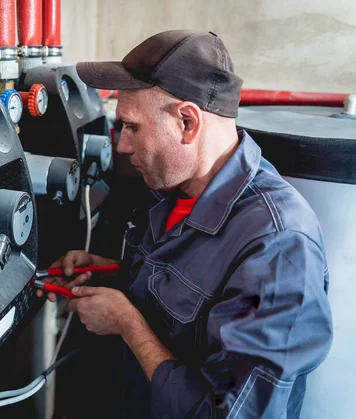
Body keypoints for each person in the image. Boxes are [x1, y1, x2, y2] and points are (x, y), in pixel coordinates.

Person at [37, 30, 333, 418]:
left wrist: (127, 323)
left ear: (188, 122)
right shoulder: (169, 188)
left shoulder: (277, 246)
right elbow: (180, 298)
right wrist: (111, 275)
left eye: (132, 127)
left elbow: (226, 413)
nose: (122, 146)